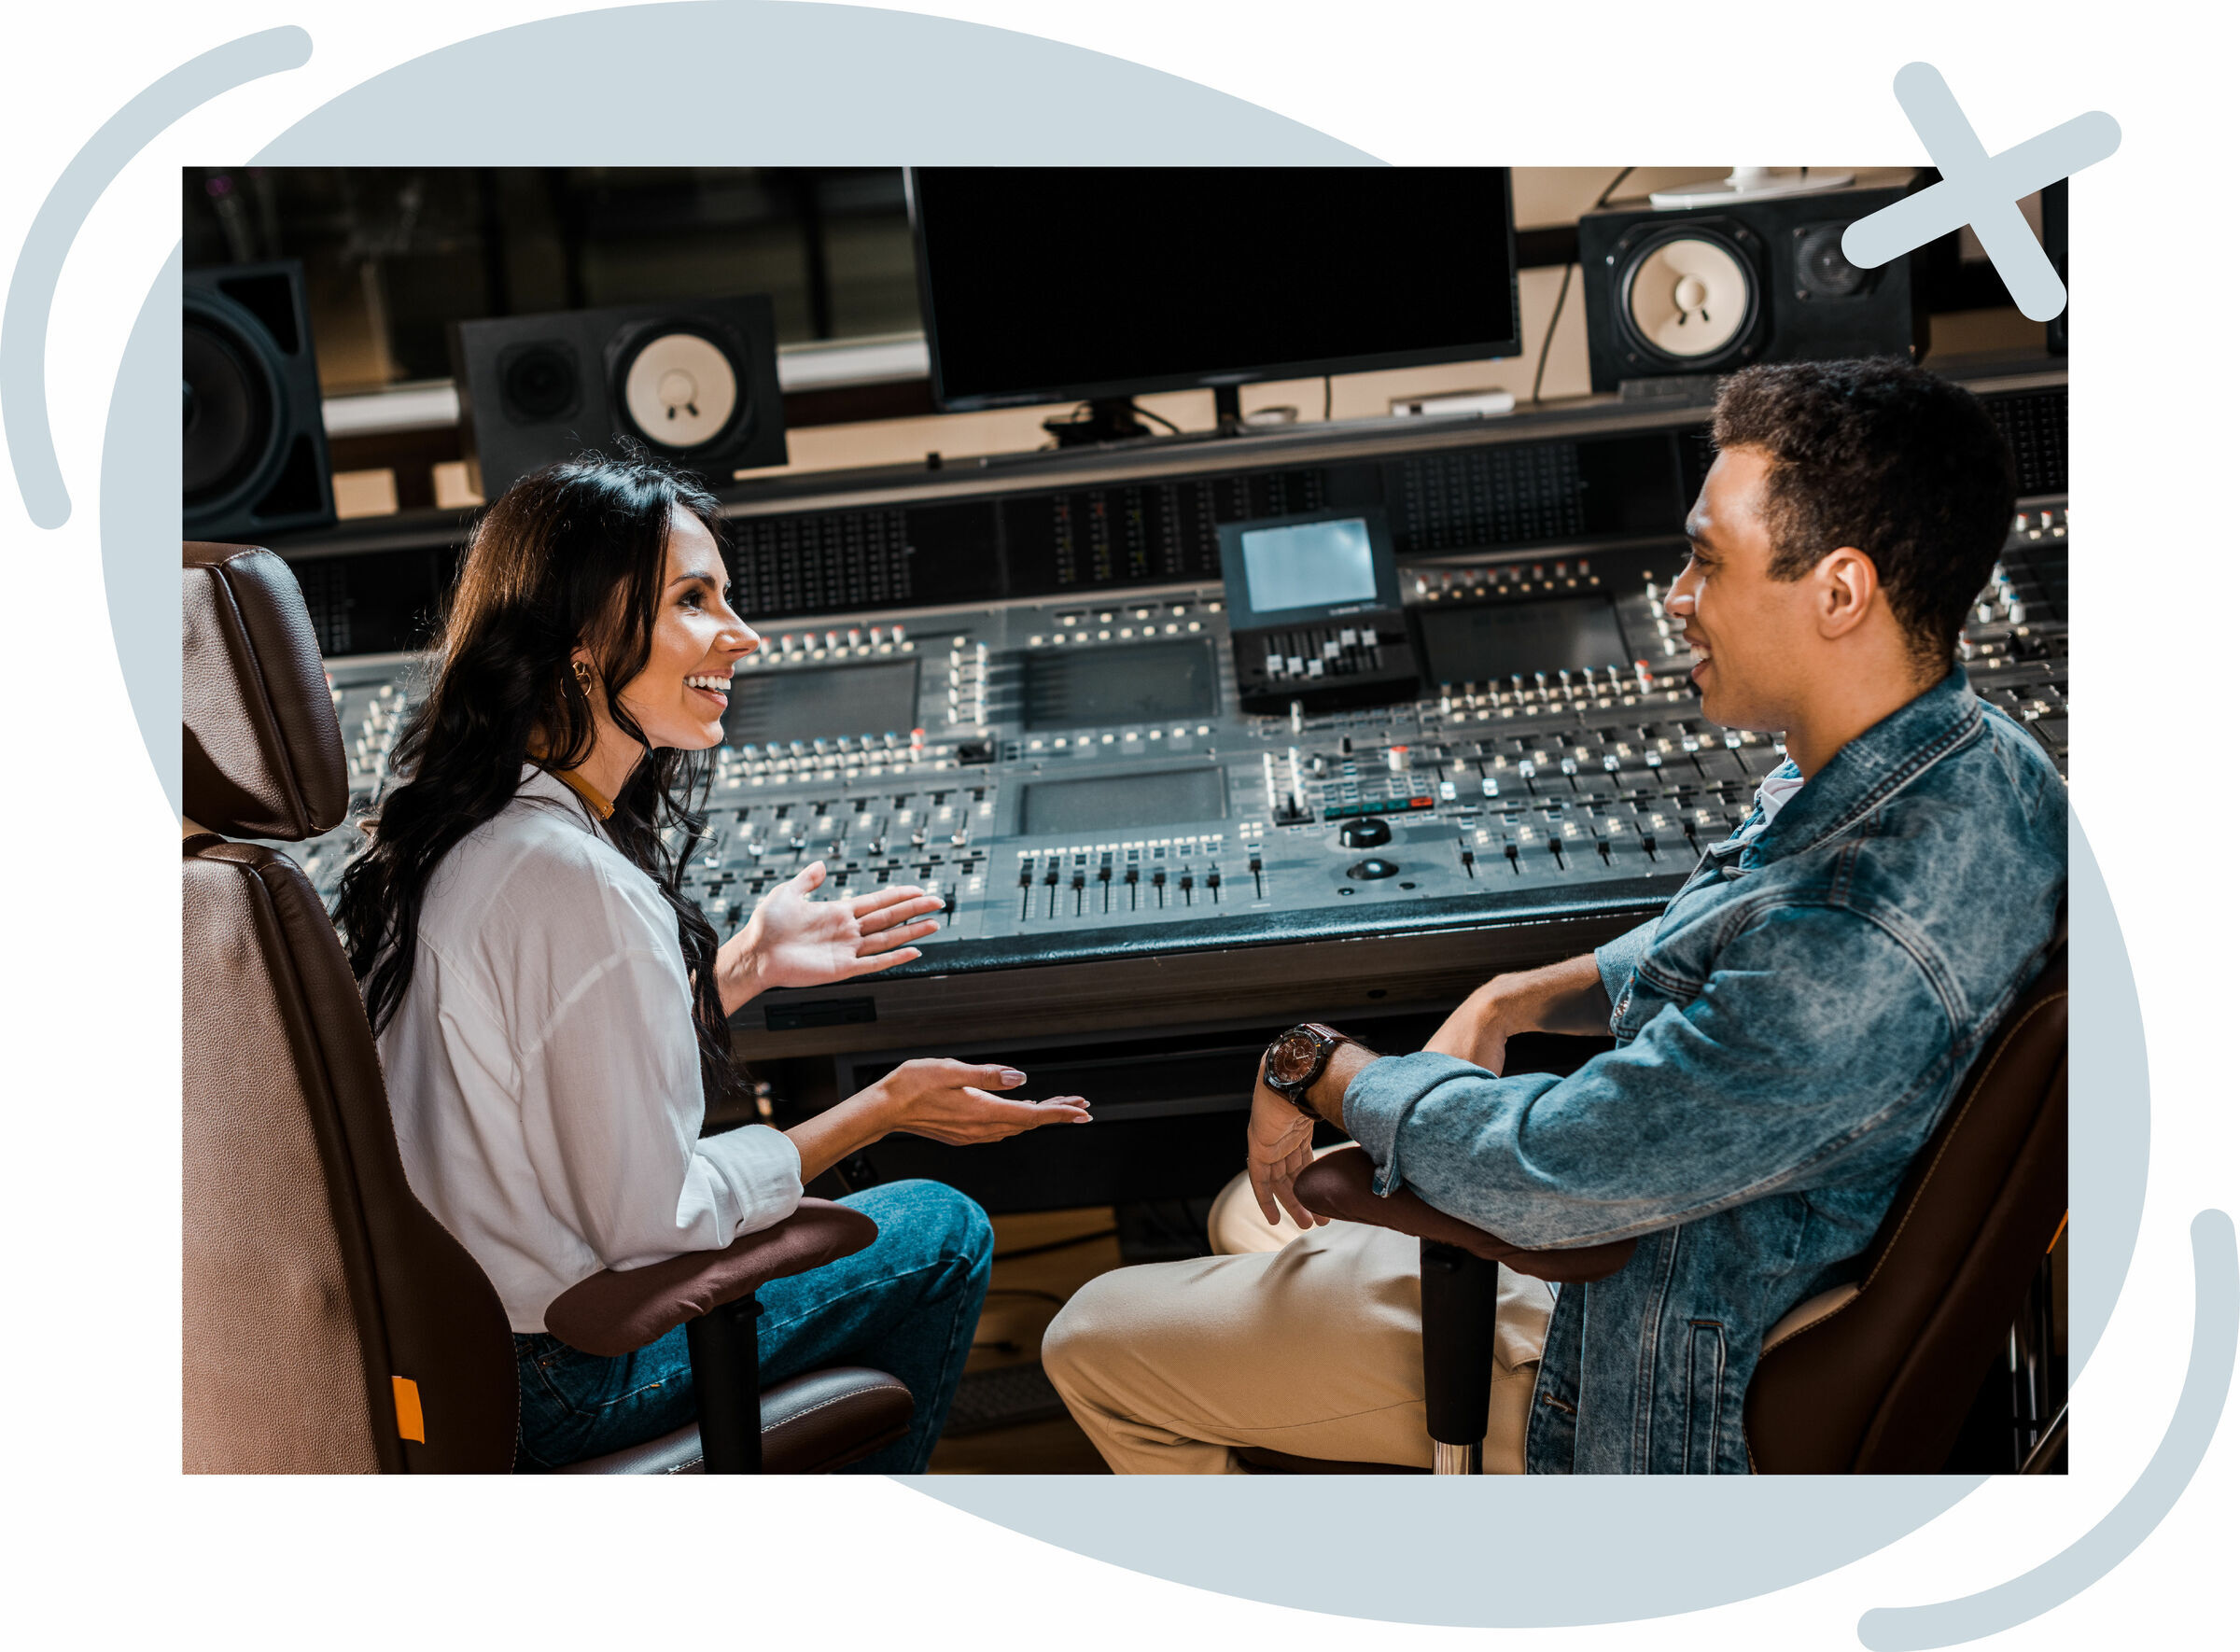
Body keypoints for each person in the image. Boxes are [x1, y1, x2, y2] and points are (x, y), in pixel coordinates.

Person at [1043, 357, 2065, 1475]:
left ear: (1839, 591)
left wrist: (1317, 1066)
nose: (1676, 597)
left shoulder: (1851, 947)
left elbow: (1541, 1172)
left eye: (1706, 563)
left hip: (1652, 1369)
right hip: (1705, 1243)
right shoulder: (1979, 764)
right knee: (1255, 1217)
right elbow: (1731, 941)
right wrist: (1518, 993)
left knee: (1095, 1338)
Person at [334, 451, 1090, 1473]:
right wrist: (884, 1108)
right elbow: (657, 1224)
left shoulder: (445, 832)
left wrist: (741, 965)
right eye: (695, 601)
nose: (743, 637)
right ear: (584, 645)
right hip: (556, 1378)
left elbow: (533, 1063)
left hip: (441, 1364)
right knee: (940, 1226)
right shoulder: (579, 884)